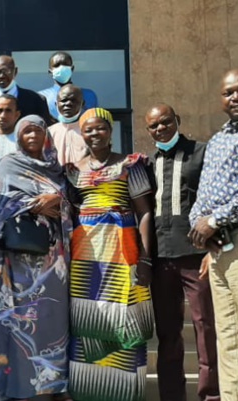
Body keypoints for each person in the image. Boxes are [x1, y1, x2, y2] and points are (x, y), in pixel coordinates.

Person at [188, 69, 238, 400]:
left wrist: (216, 219)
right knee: (231, 342)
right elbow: (204, 193)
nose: (235, 97)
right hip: (221, 249)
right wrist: (200, 226)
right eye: (228, 93)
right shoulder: (218, 139)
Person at [0, 115, 71, 401]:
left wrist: (59, 200)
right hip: (14, 268)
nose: (32, 135)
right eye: (26, 131)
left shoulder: (58, 170)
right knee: (16, 325)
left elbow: (76, 207)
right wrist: (33, 204)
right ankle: (12, 387)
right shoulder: (8, 165)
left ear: (47, 136)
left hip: (53, 267)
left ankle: (50, 387)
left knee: (51, 325)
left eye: (37, 131)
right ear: (18, 137)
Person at [66, 108, 154, 401]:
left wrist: (146, 258)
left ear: (111, 130)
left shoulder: (130, 164)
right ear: (82, 134)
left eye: (100, 128)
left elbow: (144, 213)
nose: (95, 134)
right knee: (88, 324)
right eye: (88, 129)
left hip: (123, 253)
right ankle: (89, 392)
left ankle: (123, 393)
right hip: (85, 258)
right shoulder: (74, 169)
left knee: (125, 322)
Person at [145, 104, 219, 401]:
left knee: (205, 327)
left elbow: (215, 197)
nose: (160, 129)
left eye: (165, 122)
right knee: (167, 332)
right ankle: (172, 395)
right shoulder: (147, 163)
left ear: (177, 120)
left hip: (195, 255)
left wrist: (213, 247)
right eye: (154, 126)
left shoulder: (201, 152)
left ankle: (211, 395)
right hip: (161, 258)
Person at [0, 56, 51, 139]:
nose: (1, 76)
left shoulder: (37, 101)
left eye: (6, 71)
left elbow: (46, 137)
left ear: (15, 71)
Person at [37, 52, 99, 121]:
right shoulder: (40, 97)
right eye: (57, 65)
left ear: (72, 69)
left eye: (65, 64)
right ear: (50, 71)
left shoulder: (89, 95)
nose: (61, 68)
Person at [48, 84, 88, 165]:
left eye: (73, 100)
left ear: (82, 104)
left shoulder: (89, 131)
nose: (68, 103)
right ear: (56, 104)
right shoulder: (49, 132)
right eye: (64, 100)